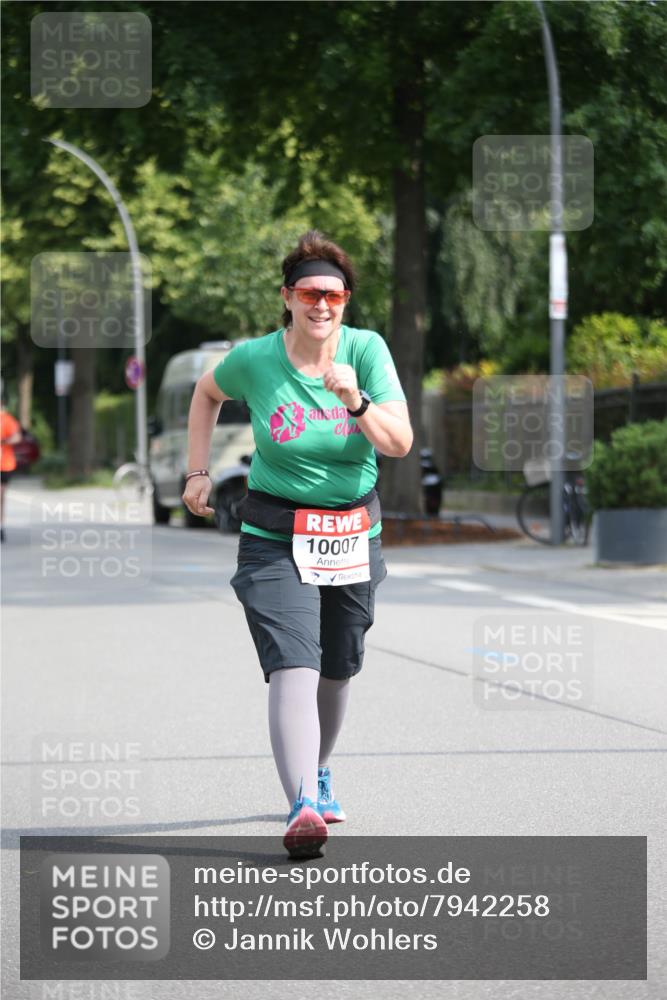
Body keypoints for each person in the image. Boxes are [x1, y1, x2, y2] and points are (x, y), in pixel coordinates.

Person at [183, 230, 412, 857]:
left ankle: (319, 769)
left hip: (351, 534)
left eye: (334, 296)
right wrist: (197, 470)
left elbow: (398, 444)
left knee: (337, 668)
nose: (322, 306)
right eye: (310, 293)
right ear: (287, 297)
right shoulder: (257, 359)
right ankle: (303, 803)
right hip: (275, 535)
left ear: (345, 302)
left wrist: (355, 400)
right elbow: (206, 392)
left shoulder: (366, 352)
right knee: (294, 660)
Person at [1, 401, 22, 544]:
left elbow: (17, 437)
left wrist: (4, 441)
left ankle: (1, 526)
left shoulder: (6, 419)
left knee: (0, 496)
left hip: (4, 464)